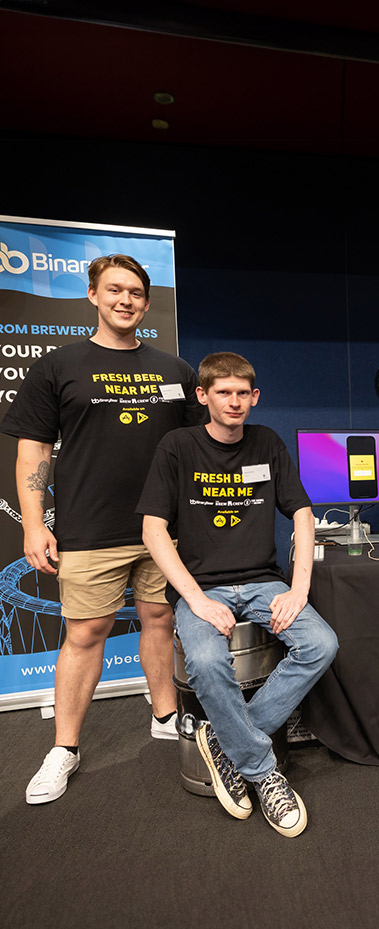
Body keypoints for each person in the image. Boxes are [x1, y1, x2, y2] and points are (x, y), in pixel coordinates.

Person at [2, 254, 202, 805]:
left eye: (136, 292)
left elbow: (197, 450)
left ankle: (164, 714)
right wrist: (35, 523)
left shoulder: (176, 371)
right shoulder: (56, 367)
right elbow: (34, 452)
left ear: (146, 301)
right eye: (115, 290)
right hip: (90, 528)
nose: (126, 300)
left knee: (161, 619)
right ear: (93, 295)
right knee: (85, 634)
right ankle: (64, 748)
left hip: (164, 530)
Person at [138, 352, 337, 838]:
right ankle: (263, 771)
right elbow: (153, 529)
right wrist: (198, 601)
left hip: (265, 582)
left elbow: (304, 515)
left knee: (321, 644)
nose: (234, 401)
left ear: (255, 397)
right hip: (202, 589)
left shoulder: (267, 442)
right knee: (206, 663)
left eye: (242, 393)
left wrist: (298, 588)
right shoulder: (177, 446)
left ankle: (226, 740)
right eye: (222, 392)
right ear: (202, 396)